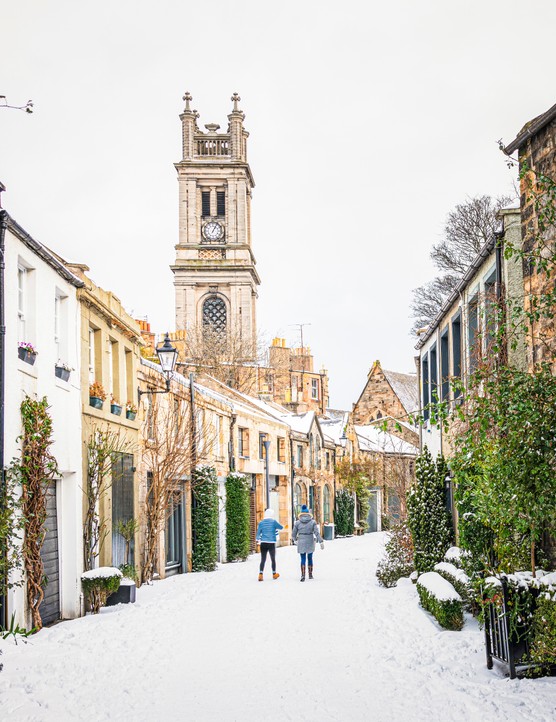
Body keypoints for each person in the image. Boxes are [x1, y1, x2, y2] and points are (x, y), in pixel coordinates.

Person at [292, 504, 324, 581]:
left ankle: (303, 575)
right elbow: (316, 533)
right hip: (310, 540)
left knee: (302, 558)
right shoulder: (313, 522)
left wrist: (295, 540)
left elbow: (293, 534)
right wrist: (321, 541)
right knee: (310, 557)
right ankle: (310, 574)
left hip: (301, 540)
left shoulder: (297, 523)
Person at [256, 508, 284, 581]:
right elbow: (281, 527)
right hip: (271, 543)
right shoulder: (273, 522)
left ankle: (260, 574)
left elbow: (258, 533)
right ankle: (274, 574)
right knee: (273, 559)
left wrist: (258, 540)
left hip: (263, 543)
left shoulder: (261, 523)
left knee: (263, 559)